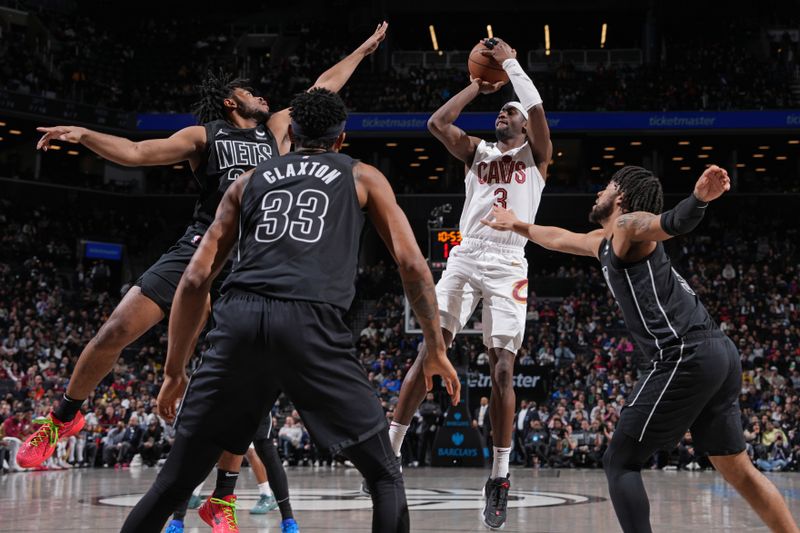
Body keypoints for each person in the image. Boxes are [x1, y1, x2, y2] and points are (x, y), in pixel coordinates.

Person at [24, 24, 387, 533]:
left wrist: (363, 51)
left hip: (257, 256)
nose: (262, 94)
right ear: (229, 101)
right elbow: (135, 153)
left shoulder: (279, 129)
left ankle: (224, 496)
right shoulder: (204, 136)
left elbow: (324, 86)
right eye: (249, 90)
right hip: (201, 245)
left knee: (245, 383)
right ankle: (63, 416)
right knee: (115, 331)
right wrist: (83, 135)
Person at [120, 88, 460, 533]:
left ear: (291, 134)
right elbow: (413, 264)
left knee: (171, 484)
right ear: (342, 140)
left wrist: (174, 370)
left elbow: (195, 279)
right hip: (309, 320)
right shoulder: (362, 176)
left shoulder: (249, 180)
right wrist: (435, 347)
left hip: (238, 319)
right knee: (382, 473)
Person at [481, 164, 799, 532]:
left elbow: (667, 223)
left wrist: (697, 201)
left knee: (621, 461)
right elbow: (556, 237)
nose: (597, 192)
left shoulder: (629, 226)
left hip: (684, 353)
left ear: (622, 197)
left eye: (606, 187)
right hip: (718, 352)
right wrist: (516, 223)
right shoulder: (604, 243)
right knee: (738, 470)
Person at [388, 37, 552, 530]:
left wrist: (511, 66)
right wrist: (476, 85)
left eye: (510, 111)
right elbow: (436, 125)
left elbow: (538, 109)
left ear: (523, 122)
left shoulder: (537, 155)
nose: (503, 115)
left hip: (509, 262)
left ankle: (499, 478)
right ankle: (388, 451)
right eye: (500, 111)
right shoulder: (476, 152)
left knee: (503, 369)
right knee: (429, 349)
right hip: (465, 255)